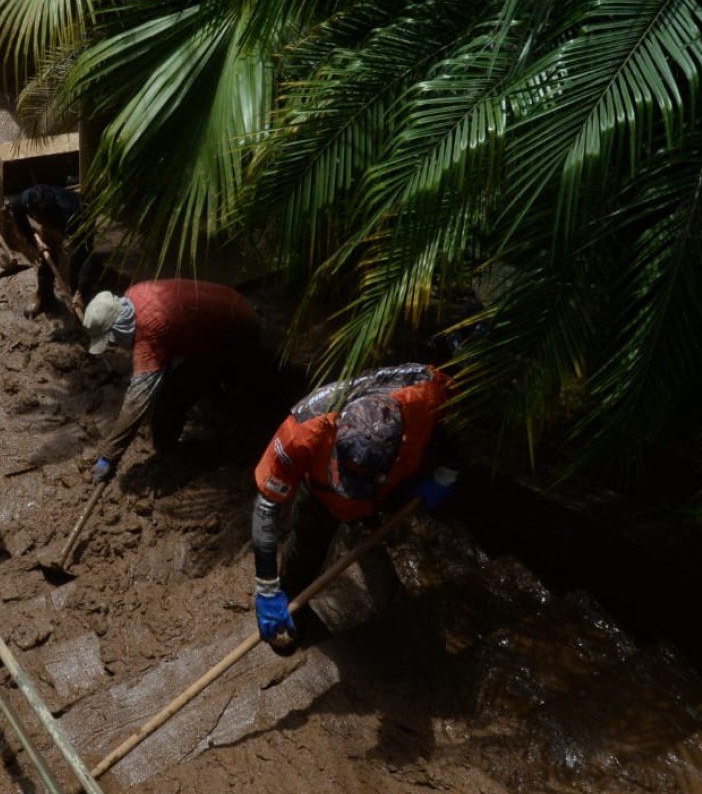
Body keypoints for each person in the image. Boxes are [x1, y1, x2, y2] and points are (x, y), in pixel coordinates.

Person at [249, 363, 457, 651]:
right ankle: (293, 607)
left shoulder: (426, 394)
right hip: (322, 496)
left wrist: (448, 470)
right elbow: (267, 507)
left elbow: (462, 415)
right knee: (307, 547)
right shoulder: (304, 430)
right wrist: (266, 588)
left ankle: (394, 608)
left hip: (391, 488)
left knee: (390, 537)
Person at [82, 279, 262, 482]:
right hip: (228, 307)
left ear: (120, 327)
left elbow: (137, 401)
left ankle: (171, 451)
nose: (115, 346)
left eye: (113, 339)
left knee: (172, 396)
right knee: (176, 380)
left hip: (237, 331)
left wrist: (109, 455)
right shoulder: (134, 294)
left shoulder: (152, 327)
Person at [7, 183, 100, 316]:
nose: (39, 223)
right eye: (37, 219)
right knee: (48, 254)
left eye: (44, 220)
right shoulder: (25, 200)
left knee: (78, 260)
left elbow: (85, 254)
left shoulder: (71, 214)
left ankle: (79, 299)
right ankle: (44, 295)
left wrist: (80, 290)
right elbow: (19, 217)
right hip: (57, 220)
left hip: (81, 217)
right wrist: (34, 241)